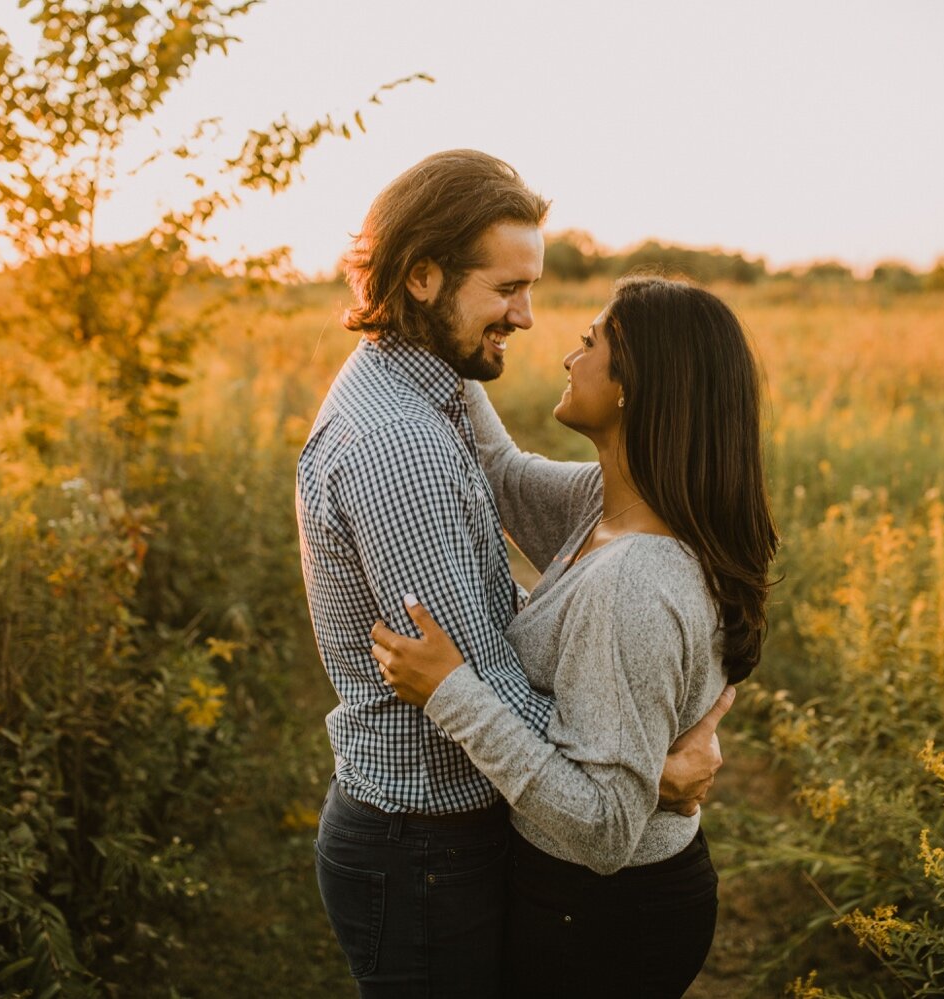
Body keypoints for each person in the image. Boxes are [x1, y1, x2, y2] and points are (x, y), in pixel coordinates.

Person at [295, 151, 733, 997]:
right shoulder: (403, 446)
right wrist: (644, 772)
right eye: (506, 289)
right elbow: (481, 681)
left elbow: (504, 463)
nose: (529, 319)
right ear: (423, 276)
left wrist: (656, 739)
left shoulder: (432, 387)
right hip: (422, 840)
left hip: (451, 831)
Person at [371, 275, 779, 998]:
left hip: (601, 919)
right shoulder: (611, 504)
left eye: (590, 343)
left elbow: (604, 828)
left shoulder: (632, 581)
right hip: (598, 903)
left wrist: (451, 694)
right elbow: (498, 469)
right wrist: (434, 325)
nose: (568, 355)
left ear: (635, 386)